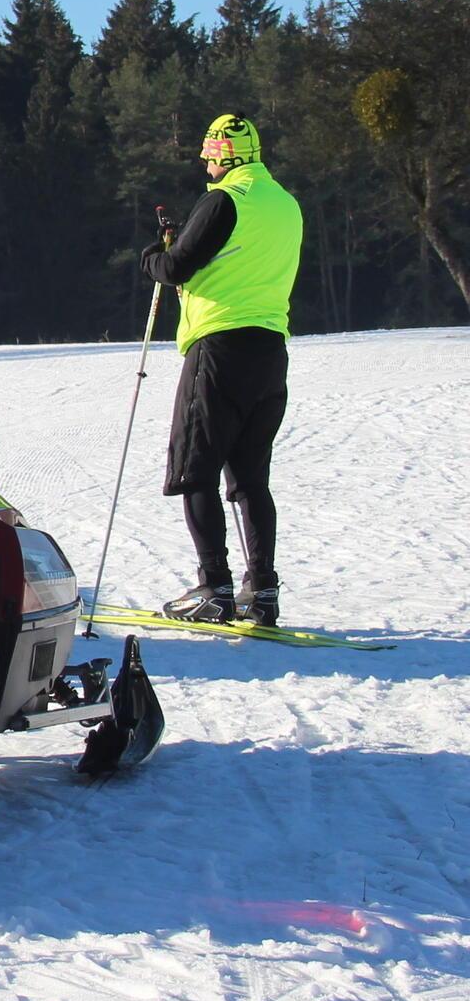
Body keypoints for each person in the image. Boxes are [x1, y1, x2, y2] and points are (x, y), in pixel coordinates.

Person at [139, 113, 303, 627]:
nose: (205, 162)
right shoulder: (286, 204)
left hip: (219, 349)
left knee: (196, 470)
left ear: (225, 155)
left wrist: (152, 255)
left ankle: (215, 586)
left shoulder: (224, 200)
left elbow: (176, 267)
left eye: (210, 154)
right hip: (270, 350)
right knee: (252, 477)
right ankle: (264, 591)